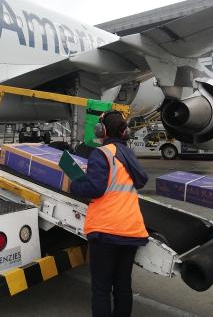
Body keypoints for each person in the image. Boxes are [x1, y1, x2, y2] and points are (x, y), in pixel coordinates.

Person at [69, 110, 149, 317]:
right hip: (132, 230)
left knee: (101, 289)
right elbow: (139, 180)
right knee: (123, 286)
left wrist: (74, 185)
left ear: (101, 130)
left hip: (106, 230)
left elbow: (95, 188)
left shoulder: (102, 153)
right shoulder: (129, 155)